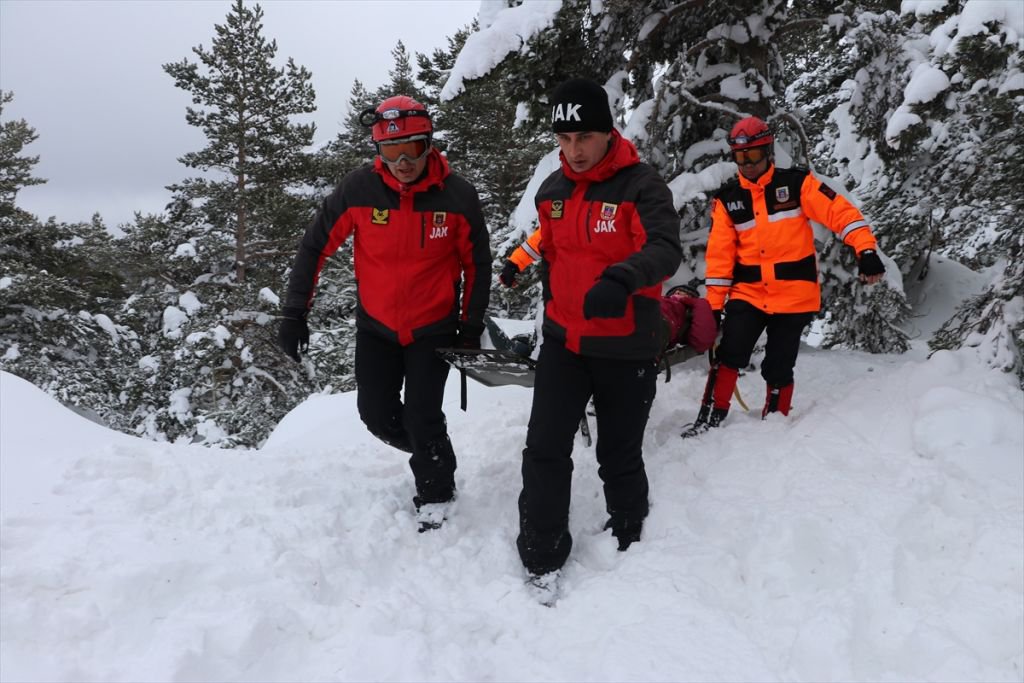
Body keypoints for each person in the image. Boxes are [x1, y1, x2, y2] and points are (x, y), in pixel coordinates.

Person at [277, 95, 492, 531]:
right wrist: (294, 311)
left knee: (421, 414)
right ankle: (435, 452)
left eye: (410, 149)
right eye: (390, 151)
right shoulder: (359, 190)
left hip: (434, 327)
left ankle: (435, 491)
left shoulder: (457, 195)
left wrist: (470, 327)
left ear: (428, 144)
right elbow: (315, 246)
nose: (402, 162)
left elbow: (478, 264)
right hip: (377, 327)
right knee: (375, 415)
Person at [516, 77, 683, 581]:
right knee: (545, 447)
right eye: (564, 140)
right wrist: (523, 272)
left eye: (584, 137)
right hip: (565, 343)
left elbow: (664, 249)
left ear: (608, 131)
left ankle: (629, 534)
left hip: (627, 345)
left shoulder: (641, 185)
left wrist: (623, 277)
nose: (575, 151)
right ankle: (541, 550)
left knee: (617, 450)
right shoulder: (552, 191)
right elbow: (550, 249)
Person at [683, 116, 885, 437]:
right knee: (730, 353)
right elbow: (720, 257)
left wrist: (866, 251)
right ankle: (709, 418)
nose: (747, 165)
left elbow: (842, 213)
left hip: (794, 295)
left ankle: (774, 422)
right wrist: (714, 305)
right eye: (740, 158)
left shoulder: (796, 185)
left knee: (778, 363)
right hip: (749, 294)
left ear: (768, 152)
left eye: (753, 156)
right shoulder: (728, 200)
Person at [501, 229, 715, 355]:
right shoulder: (570, 203)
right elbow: (545, 235)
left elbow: (658, 255)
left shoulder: (631, 202)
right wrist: (515, 263)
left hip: (622, 302)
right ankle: (540, 348)